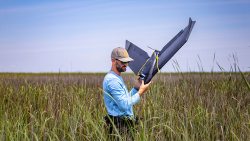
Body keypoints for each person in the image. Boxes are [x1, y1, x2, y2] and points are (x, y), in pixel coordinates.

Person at [103, 47, 151, 140]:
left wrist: (136, 88)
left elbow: (125, 99)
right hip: (119, 127)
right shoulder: (112, 80)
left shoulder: (116, 77)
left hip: (123, 125)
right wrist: (141, 92)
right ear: (113, 61)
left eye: (127, 62)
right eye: (123, 62)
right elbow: (124, 105)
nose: (126, 64)